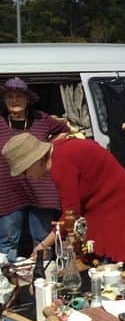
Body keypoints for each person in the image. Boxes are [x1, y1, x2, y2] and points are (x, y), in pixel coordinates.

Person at [2, 134, 125, 263]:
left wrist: (43, 245)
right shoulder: (60, 149)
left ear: (34, 161)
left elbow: (71, 214)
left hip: (120, 206)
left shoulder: (61, 164)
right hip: (108, 206)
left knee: (112, 269)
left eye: (24, 172)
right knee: (94, 258)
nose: (26, 177)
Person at [0, 78, 69, 262]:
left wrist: (46, 148)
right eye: (10, 97)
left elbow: (64, 130)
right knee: (7, 242)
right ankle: (8, 285)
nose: (14, 101)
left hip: (40, 188)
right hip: (8, 191)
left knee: (42, 238)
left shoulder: (41, 119)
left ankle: (44, 280)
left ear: (27, 99)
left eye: (19, 96)